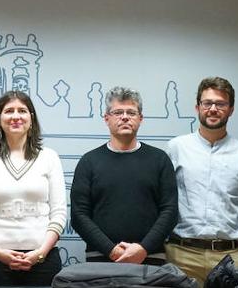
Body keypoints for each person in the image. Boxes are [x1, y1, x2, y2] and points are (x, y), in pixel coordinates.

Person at [167, 77, 238, 288]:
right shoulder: (176, 148)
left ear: (231, 109)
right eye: (207, 103)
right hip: (182, 257)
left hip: (231, 260)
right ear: (197, 107)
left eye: (220, 104)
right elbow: (162, 202)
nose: (213, 109)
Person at [70, 86, 177, 264]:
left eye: (131, 112)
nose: (125, 117)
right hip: (101, 259)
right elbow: (79, 215)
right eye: (118, 112)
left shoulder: (160, 160)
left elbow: (170, 211)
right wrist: (111, 250)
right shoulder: (89, 162)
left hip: (150, 258)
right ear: (107, 118)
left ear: (140, 118)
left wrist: (143, 249)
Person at [0, 91, 67, 287]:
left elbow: (59, 213)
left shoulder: (49, 157)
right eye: (9, 111)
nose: (16, 116)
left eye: (22, 111)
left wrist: (40, 253)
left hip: (43, 261)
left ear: (31, 119)